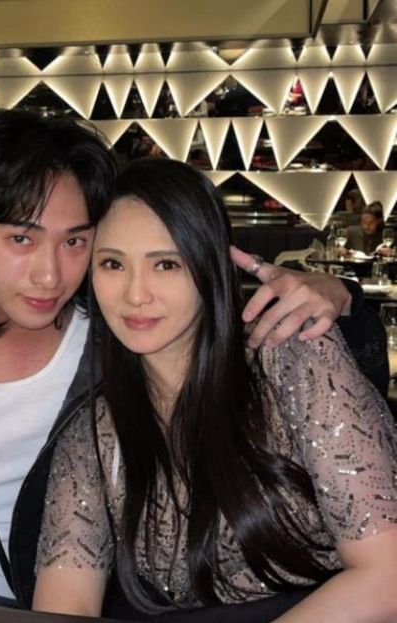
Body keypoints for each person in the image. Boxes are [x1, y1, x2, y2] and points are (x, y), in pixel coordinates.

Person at [0, 110, 357, 608]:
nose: (50, 274)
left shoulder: (120, 340)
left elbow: (276, 367)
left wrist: (338, 297)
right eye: (22, 240)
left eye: (74, 241)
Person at [33, 159, 397, 622]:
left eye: (166, 264)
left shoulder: (291, 358)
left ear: (209, 266)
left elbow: (387, 579)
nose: (135, 294)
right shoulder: (95, 434)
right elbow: (64, 604)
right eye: (112, 264)